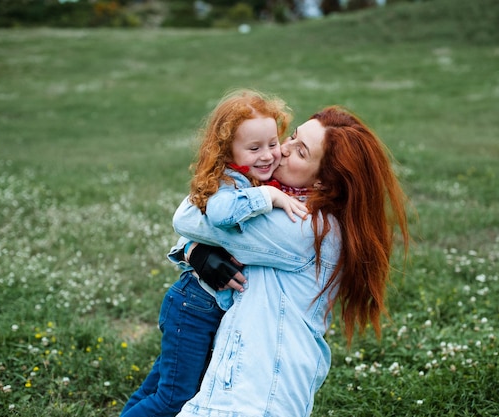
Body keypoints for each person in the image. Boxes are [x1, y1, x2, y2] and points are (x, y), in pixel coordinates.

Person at [172, 105, 410, 416]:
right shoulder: (292, 202)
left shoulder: (303, 226)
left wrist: (192, 247)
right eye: (292, 137)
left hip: (253, 398)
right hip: (247, 388)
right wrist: (195, 248)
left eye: (300, 151)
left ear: (324, 182)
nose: (280, 150)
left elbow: (191, 216)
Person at [120, 89, 306, 417]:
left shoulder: (254, 176)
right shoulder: (230, 182)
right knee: (174, 399)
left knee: (159, 387)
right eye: (254, 148)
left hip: (202, 306)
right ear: (227, 150)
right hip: (195, 307)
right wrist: (267, 197)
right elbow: (219, 213)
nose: (268, 156)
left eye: (273, 143)